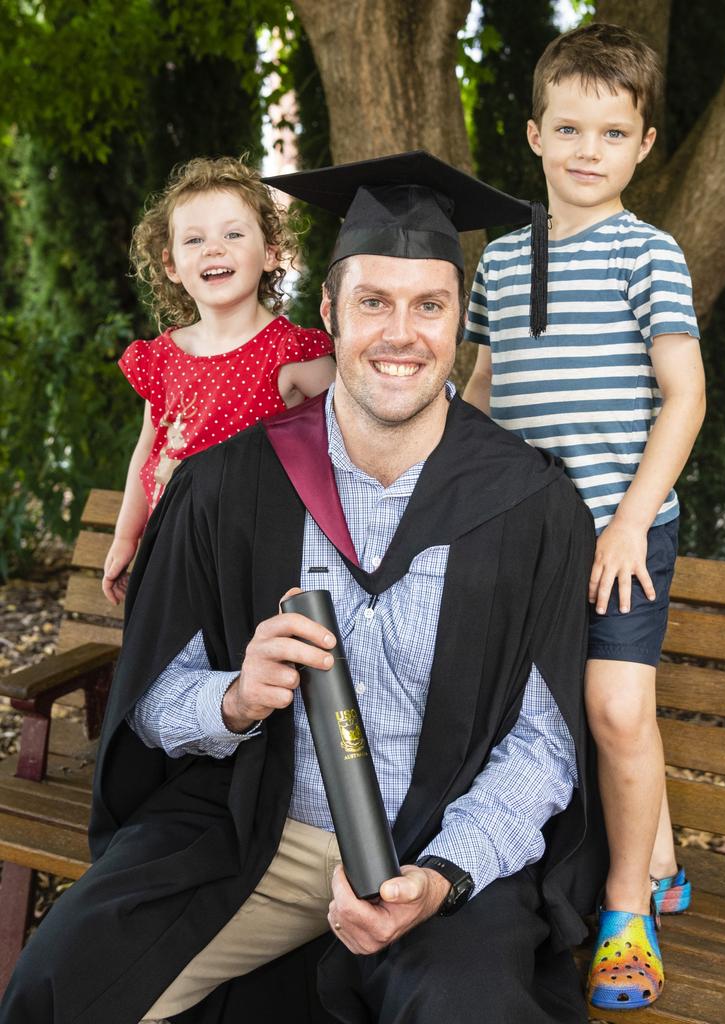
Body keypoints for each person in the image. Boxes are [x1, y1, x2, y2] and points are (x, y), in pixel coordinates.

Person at [1, 151, 604, 1024]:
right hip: (257, 828)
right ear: (327, 311)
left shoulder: (532, 505)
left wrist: (439, 877)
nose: (402, 333)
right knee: (65, 987)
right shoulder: (228, 487)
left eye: (429, 305)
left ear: (459, 319)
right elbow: (154, 702)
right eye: (373, 302)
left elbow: (542, 751)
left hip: (437, 848)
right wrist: (237, 699)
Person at [463, 23, 706, 1013]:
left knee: (613, 708)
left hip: (625, 527)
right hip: (530, 533)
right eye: (569, 128)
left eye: (612, 133)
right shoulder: (502, 261)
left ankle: (625, 909)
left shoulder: (650, 255)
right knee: (555, 713)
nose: (587, 150)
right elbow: (478, 388)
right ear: (533, 133)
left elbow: (685, 398)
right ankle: (661, 850)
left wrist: (628, 522)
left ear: (644, 144)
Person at [102, 155, 336, 606]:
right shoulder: (163, 357)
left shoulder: (290, 354)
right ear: (171, 264)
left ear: (270, 252)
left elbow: (345, 444)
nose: (213, 248)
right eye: (194, 239)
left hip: (249, 563)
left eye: (232, 234)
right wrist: (125, 540)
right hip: (169, 553)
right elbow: (145, 454)